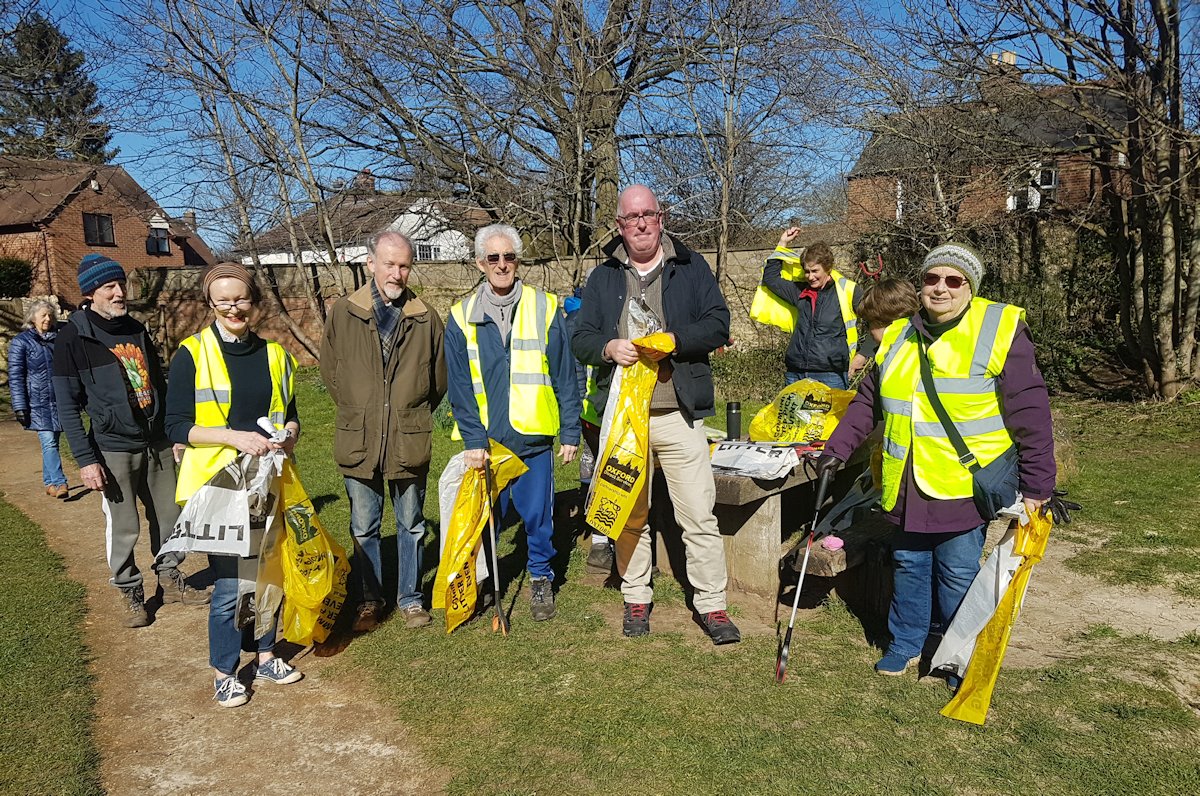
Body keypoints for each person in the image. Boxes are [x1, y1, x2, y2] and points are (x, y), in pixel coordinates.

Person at [815, 243, 1065, 689]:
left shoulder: (999, 329)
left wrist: (1038, 485)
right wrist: (838, 447)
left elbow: (1031, 413)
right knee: (909, 563)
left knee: (957, 572)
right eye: (933, 278)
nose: (942, 288)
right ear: (922, 283)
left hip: (964, 484)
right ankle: (907, 643)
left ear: (970, 287)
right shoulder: (896, 336)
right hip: (907, 481)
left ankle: (956, 654)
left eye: (955, 280)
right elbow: (868, 402)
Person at [571, 184, 740, 645]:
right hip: (625, 419)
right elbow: (580, 338)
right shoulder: (603, 276)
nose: (641, 222)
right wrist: (607, 347)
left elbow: (718, 322)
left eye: (649, 214)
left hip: (678, 415)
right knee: (630, 514)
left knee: (699, 515)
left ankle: (712, 604)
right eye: (631, 217)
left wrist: (677, 341)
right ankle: (637, 595)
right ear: (620, 225)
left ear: (661, 218)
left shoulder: (690, 265)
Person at [166, 262, 303, 708]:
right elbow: (176, 425)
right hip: (220, 487)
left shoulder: (277, 355)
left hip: (266, 482)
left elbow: (292, 412)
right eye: (222, 299)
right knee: (230, 584)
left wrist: (292, 432)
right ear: (211, 304)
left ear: (253, 301)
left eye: (240, 297)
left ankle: (264, 654)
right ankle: (225, 671)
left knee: (265, 575)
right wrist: (234, 438)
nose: (233, 307)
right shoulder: (192, 352)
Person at [53, 253, 209, 628]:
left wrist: (173, 431)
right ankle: (130, 590)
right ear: (91, 292)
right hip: (112, 448)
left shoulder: (136, 328)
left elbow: (160, 382)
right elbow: (66, 405)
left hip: (155, 442)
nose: (120, 292)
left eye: (121, 284)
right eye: (110, 287)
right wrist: (86, 460)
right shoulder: (73, 338)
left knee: (170, 517)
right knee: (123, 526)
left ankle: (170, 579)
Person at [445, 223, 581, 621]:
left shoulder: (546, 307)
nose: (502, 265)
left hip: (534, 437)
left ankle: (540, 578)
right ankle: (483, 577)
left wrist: (570, 430)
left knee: (538, 517)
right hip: (486, 443)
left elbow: (564, 375)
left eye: (509, 257)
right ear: (479, 263)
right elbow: (459, 388)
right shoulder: (460, 317)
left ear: (518, 261)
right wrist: (473, 440)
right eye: (493, 258)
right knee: (487, 519)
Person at [321, 230, 447, 633]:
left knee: (412, 524)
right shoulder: (344, 312)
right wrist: (363, 408)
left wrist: (407, 410)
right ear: (371, 262)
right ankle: (369, 600)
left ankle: (410, 599)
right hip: (358, 435)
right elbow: (331, 372)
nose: (396, 273)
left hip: (408, 437)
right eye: (389, 264)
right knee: (364, 524)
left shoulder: (425, 317)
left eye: (404, 265)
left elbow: (438, 380)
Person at [757, 228, 870, 389]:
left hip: (832, 375)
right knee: (795, 416)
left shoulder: (848, 291)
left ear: (828, 267)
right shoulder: (800, 290)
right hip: (795, 373)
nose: (810, 277)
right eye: (807, 272)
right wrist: (782, 244)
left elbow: (877, 320)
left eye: (815, 271)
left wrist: (863, 355)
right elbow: (771, 278)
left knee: (831, 416)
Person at [8, 299, 69, 498]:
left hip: (58, 399)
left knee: (52, 442)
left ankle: (49, 483)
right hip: (37, 403)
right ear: (32, 318)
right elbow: (15, 376)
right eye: (43, 315)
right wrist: (20, 407)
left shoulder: (58, 339)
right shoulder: (21, 342)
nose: (47, 318)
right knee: (49, 441)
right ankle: (60, 483)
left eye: (50, 315)